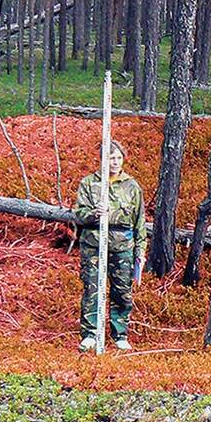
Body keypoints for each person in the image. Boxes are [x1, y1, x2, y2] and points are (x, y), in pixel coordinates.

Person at [73, 141, 146, 352]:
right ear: (103, 159)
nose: (115, 162)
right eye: (111, 158)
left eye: (118, 158)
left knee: (122, 291)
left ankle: (120, 334)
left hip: (123, 246)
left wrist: (140, 251)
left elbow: (139, 222)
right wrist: (93, 214)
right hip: (93, 245)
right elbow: (78, 214)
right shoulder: (89, 183)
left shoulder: (132, 186)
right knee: (92, 289)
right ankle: (90, 334)